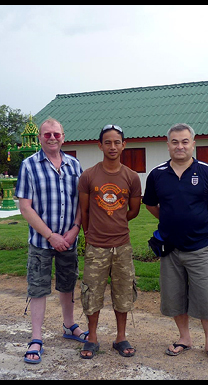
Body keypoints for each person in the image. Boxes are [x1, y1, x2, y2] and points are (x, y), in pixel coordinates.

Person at [142, 123, 208, 364]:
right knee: (174, 296)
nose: (180, 146)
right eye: (175, 142)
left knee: (206, 296)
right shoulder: (157, 174)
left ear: (193, 143)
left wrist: (202, 224)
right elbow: (150, 204)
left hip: (200, 247)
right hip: (170, 248)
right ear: (168, 145)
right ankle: (184, 338)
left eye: (184, 141)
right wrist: (170, 223)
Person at [16, 118, 88, 364]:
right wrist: (50, 235)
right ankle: (36, 338)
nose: (52, 138)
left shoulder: (74, 165)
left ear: (63, 137)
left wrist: (75, 229)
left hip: (68, 239)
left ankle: (69, 326)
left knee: (68, 284)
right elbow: (25, 207)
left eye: (56, 134)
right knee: (38, 288)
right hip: (41, 241)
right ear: (40, 138)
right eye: (47, 134)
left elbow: (81, 202)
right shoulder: (28, 166)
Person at [78, 124, 142, 359]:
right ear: (100, 145)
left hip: (122, 246)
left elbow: (133, 210)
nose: (112, 146)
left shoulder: (131, 177)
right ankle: (92, 338)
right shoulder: (89, 175)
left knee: (123, 292)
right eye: (108, 142)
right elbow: (84, 210)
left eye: (117, 142)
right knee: (91, 292)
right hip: (96, 246)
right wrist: (90, 233)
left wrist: (115, 220)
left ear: (124, 145)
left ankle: (120, 337)